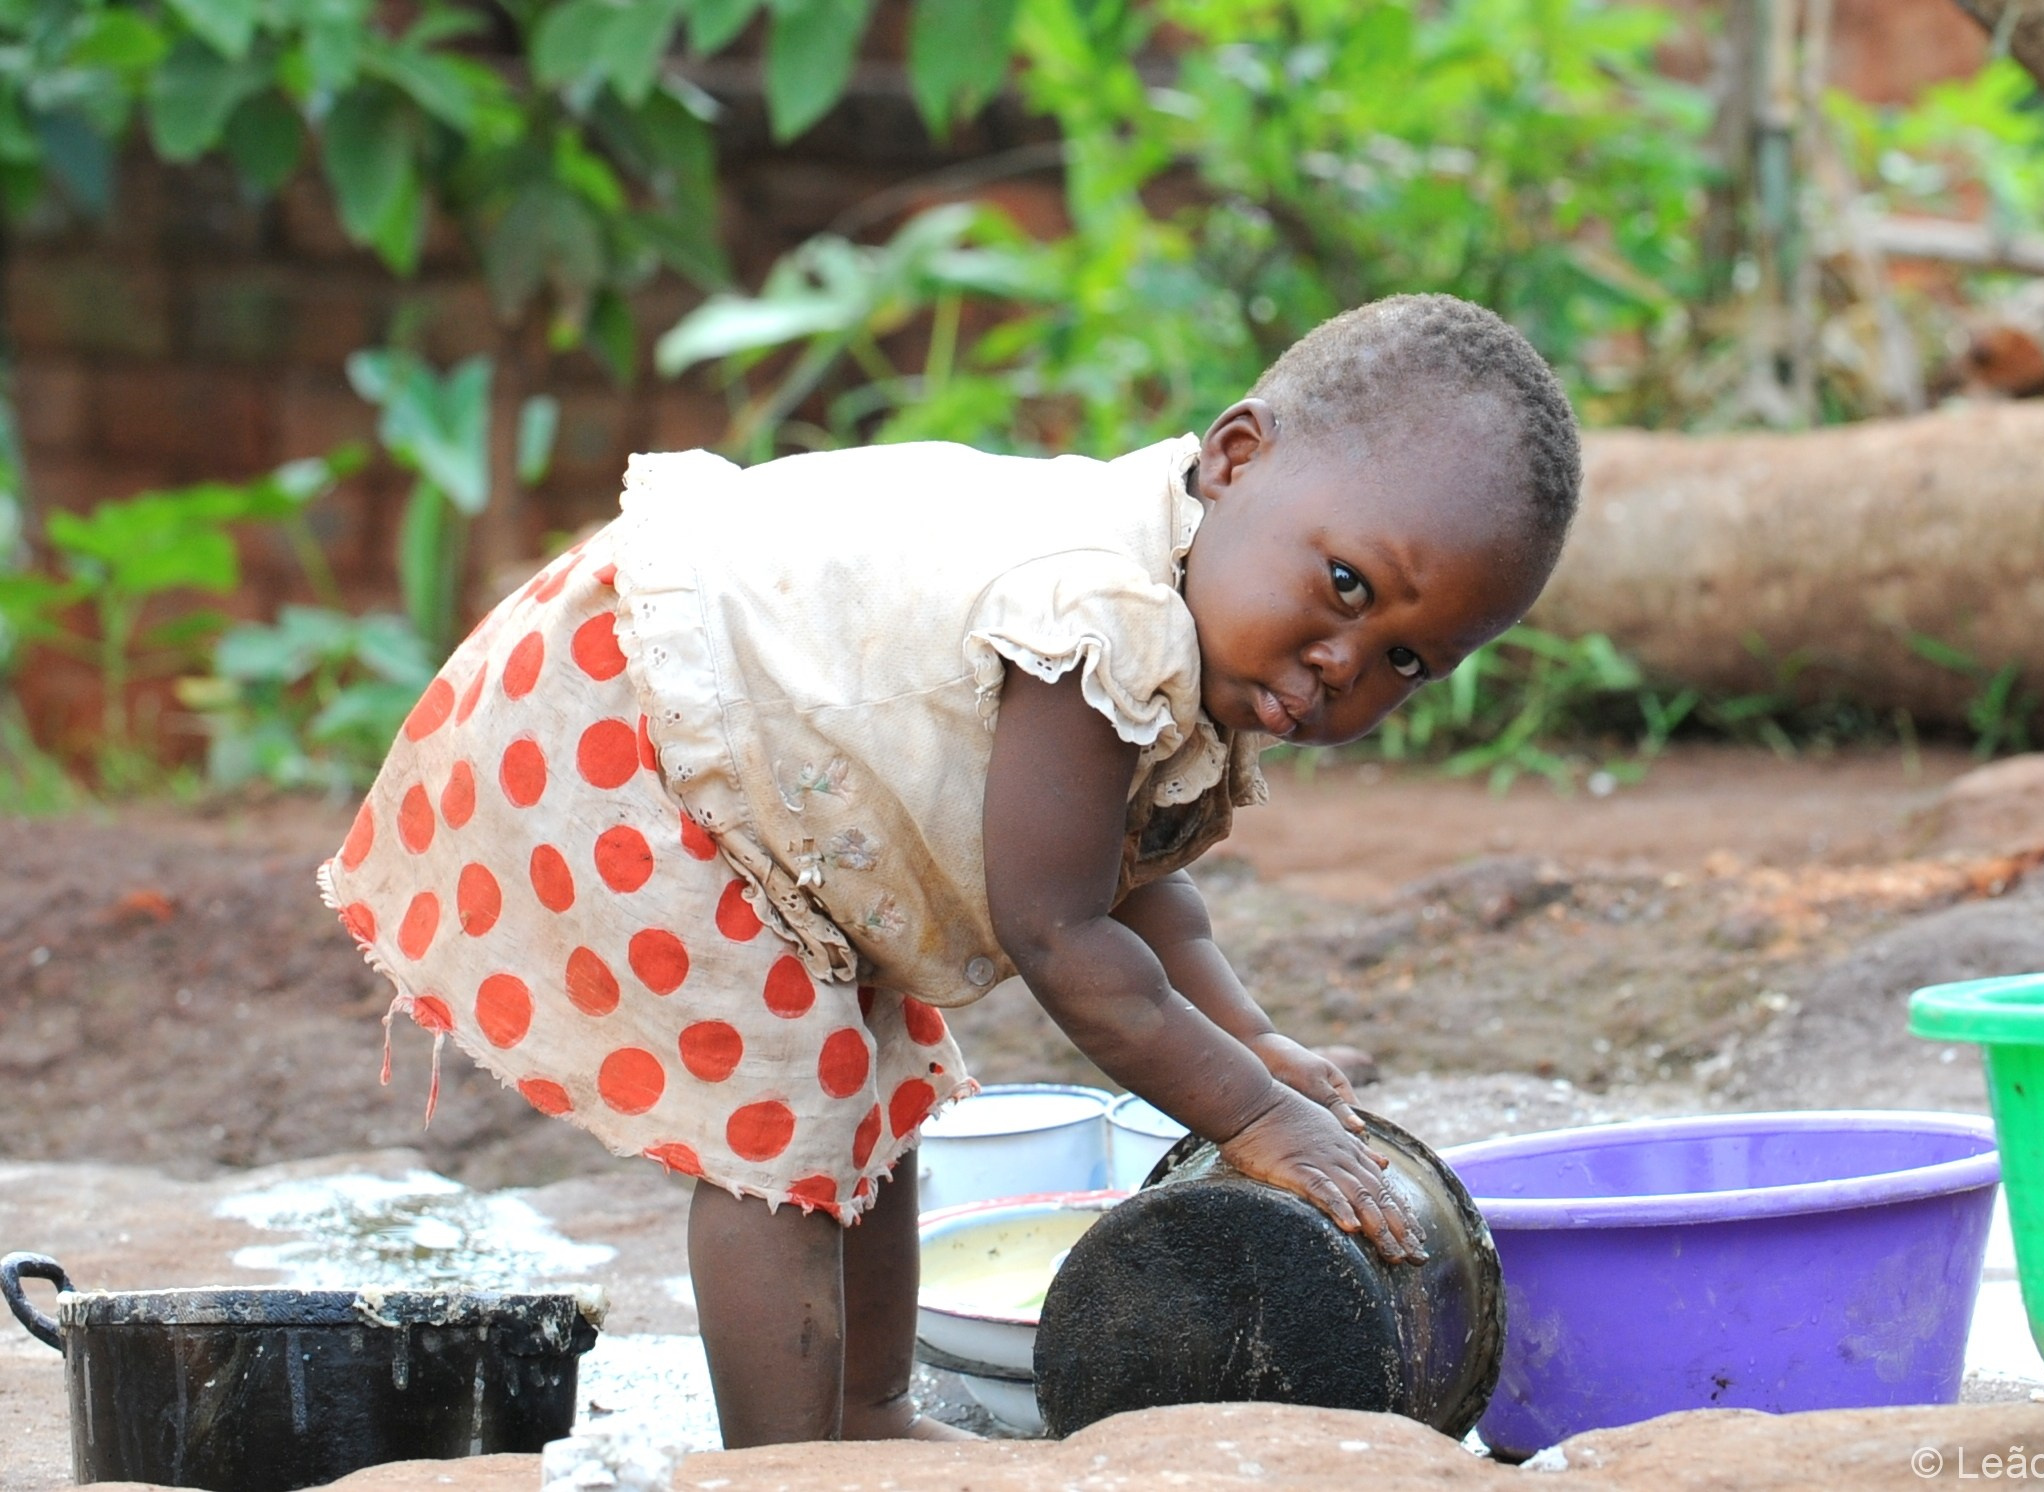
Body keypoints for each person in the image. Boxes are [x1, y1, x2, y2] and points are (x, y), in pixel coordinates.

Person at [319, 292, 1582, 1446]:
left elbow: (1141, 886)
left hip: (779, 768)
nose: (1344, 664)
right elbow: (1062, 935)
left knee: (867, 1086)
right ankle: (783, 1471)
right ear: (1237, 455)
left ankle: (866, 1415)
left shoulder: (1194, 591)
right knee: (784, 1133)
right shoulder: (1098, 619)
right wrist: (1249, 1115)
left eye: (1408, 661)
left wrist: (1255, 1045)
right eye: (1348, 586)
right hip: (644, 719)